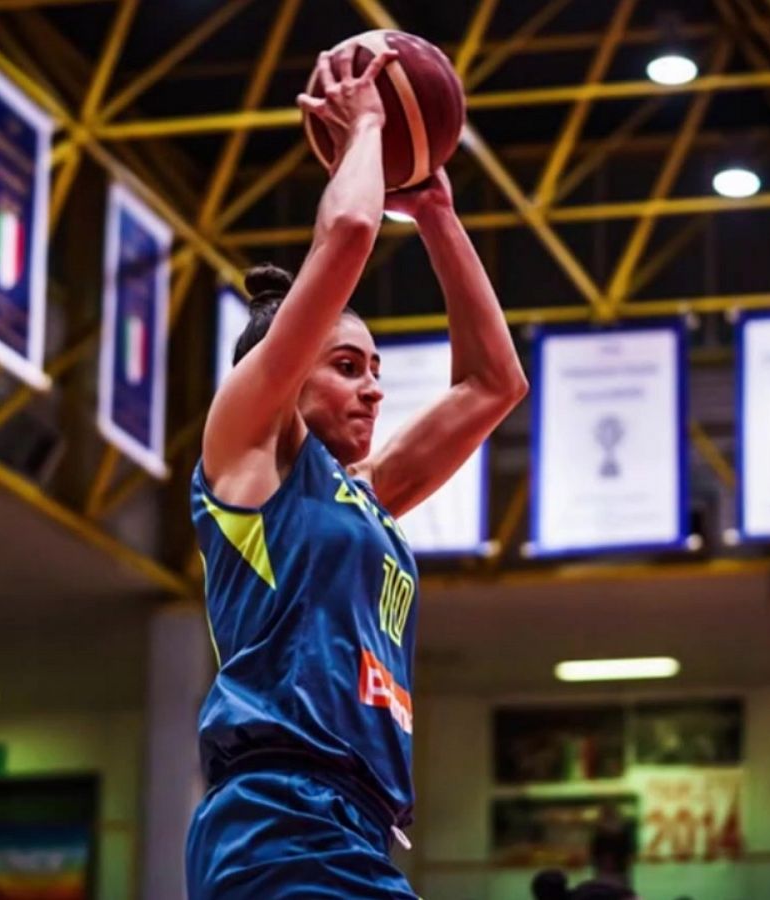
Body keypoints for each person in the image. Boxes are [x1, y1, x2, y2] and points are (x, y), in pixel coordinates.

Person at [183, 43, 528, 900]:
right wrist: (368, 126)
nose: (374, 387)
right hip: (276, 817)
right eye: (346, 364)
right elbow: (346, 232)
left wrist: (439, 212)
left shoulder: (361, 497)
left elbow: (495, 383)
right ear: (282, 369)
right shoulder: (245, 453)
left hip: (357, 826)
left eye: (375, 369)